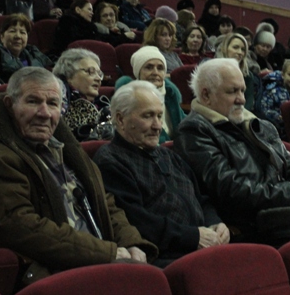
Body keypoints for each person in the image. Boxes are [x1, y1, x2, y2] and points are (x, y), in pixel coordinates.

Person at [0, 67, 157, 285]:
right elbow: (22, 227)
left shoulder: (66, 150)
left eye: (52, 104)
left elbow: (105, 202)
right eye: (33, 101)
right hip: (56, 274)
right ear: (10, 105)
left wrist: (131, 243)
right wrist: (107, 253)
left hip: (104, 262)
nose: (44, 113)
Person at [174, 59, 290, 245]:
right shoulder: (194, 130)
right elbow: (231, 188)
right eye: (232, 91)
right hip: (248, 223)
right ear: (206, 95)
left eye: (242, 90)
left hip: (280, 214)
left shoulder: (261, 125)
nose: (242, 99)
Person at [94, 81, 229, 264]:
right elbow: (138, 221)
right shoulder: (110, 161)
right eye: (148, 116)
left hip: (204, 245)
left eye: (159, 116)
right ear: (120, 119)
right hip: (165, 257)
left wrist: (215, 222)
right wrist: (192, 237)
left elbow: (202, 199)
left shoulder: (168, 155)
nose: (158, 126)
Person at [115, 46, 185, 143]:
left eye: (160, 68)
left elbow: (185, 122)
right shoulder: (130, 100)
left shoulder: (170, 96)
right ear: (138, 72)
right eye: (149, 67)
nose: (155, 72)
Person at [0, 13, 52, 83]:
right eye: (12, 31)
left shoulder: (32, 52)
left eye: (22, 32)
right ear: (2, 36)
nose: (18, 36)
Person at [52, 48, 107, 136]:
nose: (98, 79)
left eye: (99, 74)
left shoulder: (103, 104)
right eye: (91, 72)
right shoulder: (57, 98)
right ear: (69, 75)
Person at [52, 0, 125, 56]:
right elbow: (91, 39)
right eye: (89, 9)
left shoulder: (88, 26)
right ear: (78, 10)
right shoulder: (67, 22)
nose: (92, 13)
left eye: (92, 10)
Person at [257, 58, 290, 139]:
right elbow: (265, 109)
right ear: (283, 74)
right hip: (276, 126)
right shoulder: (272, 89)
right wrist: (278, 117)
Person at [215, 33, 260, 114]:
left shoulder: (248, 76)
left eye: (243, 49)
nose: (240, 52)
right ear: (225, 49)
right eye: (235, 47)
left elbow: (248, 103)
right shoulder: (213, 71)